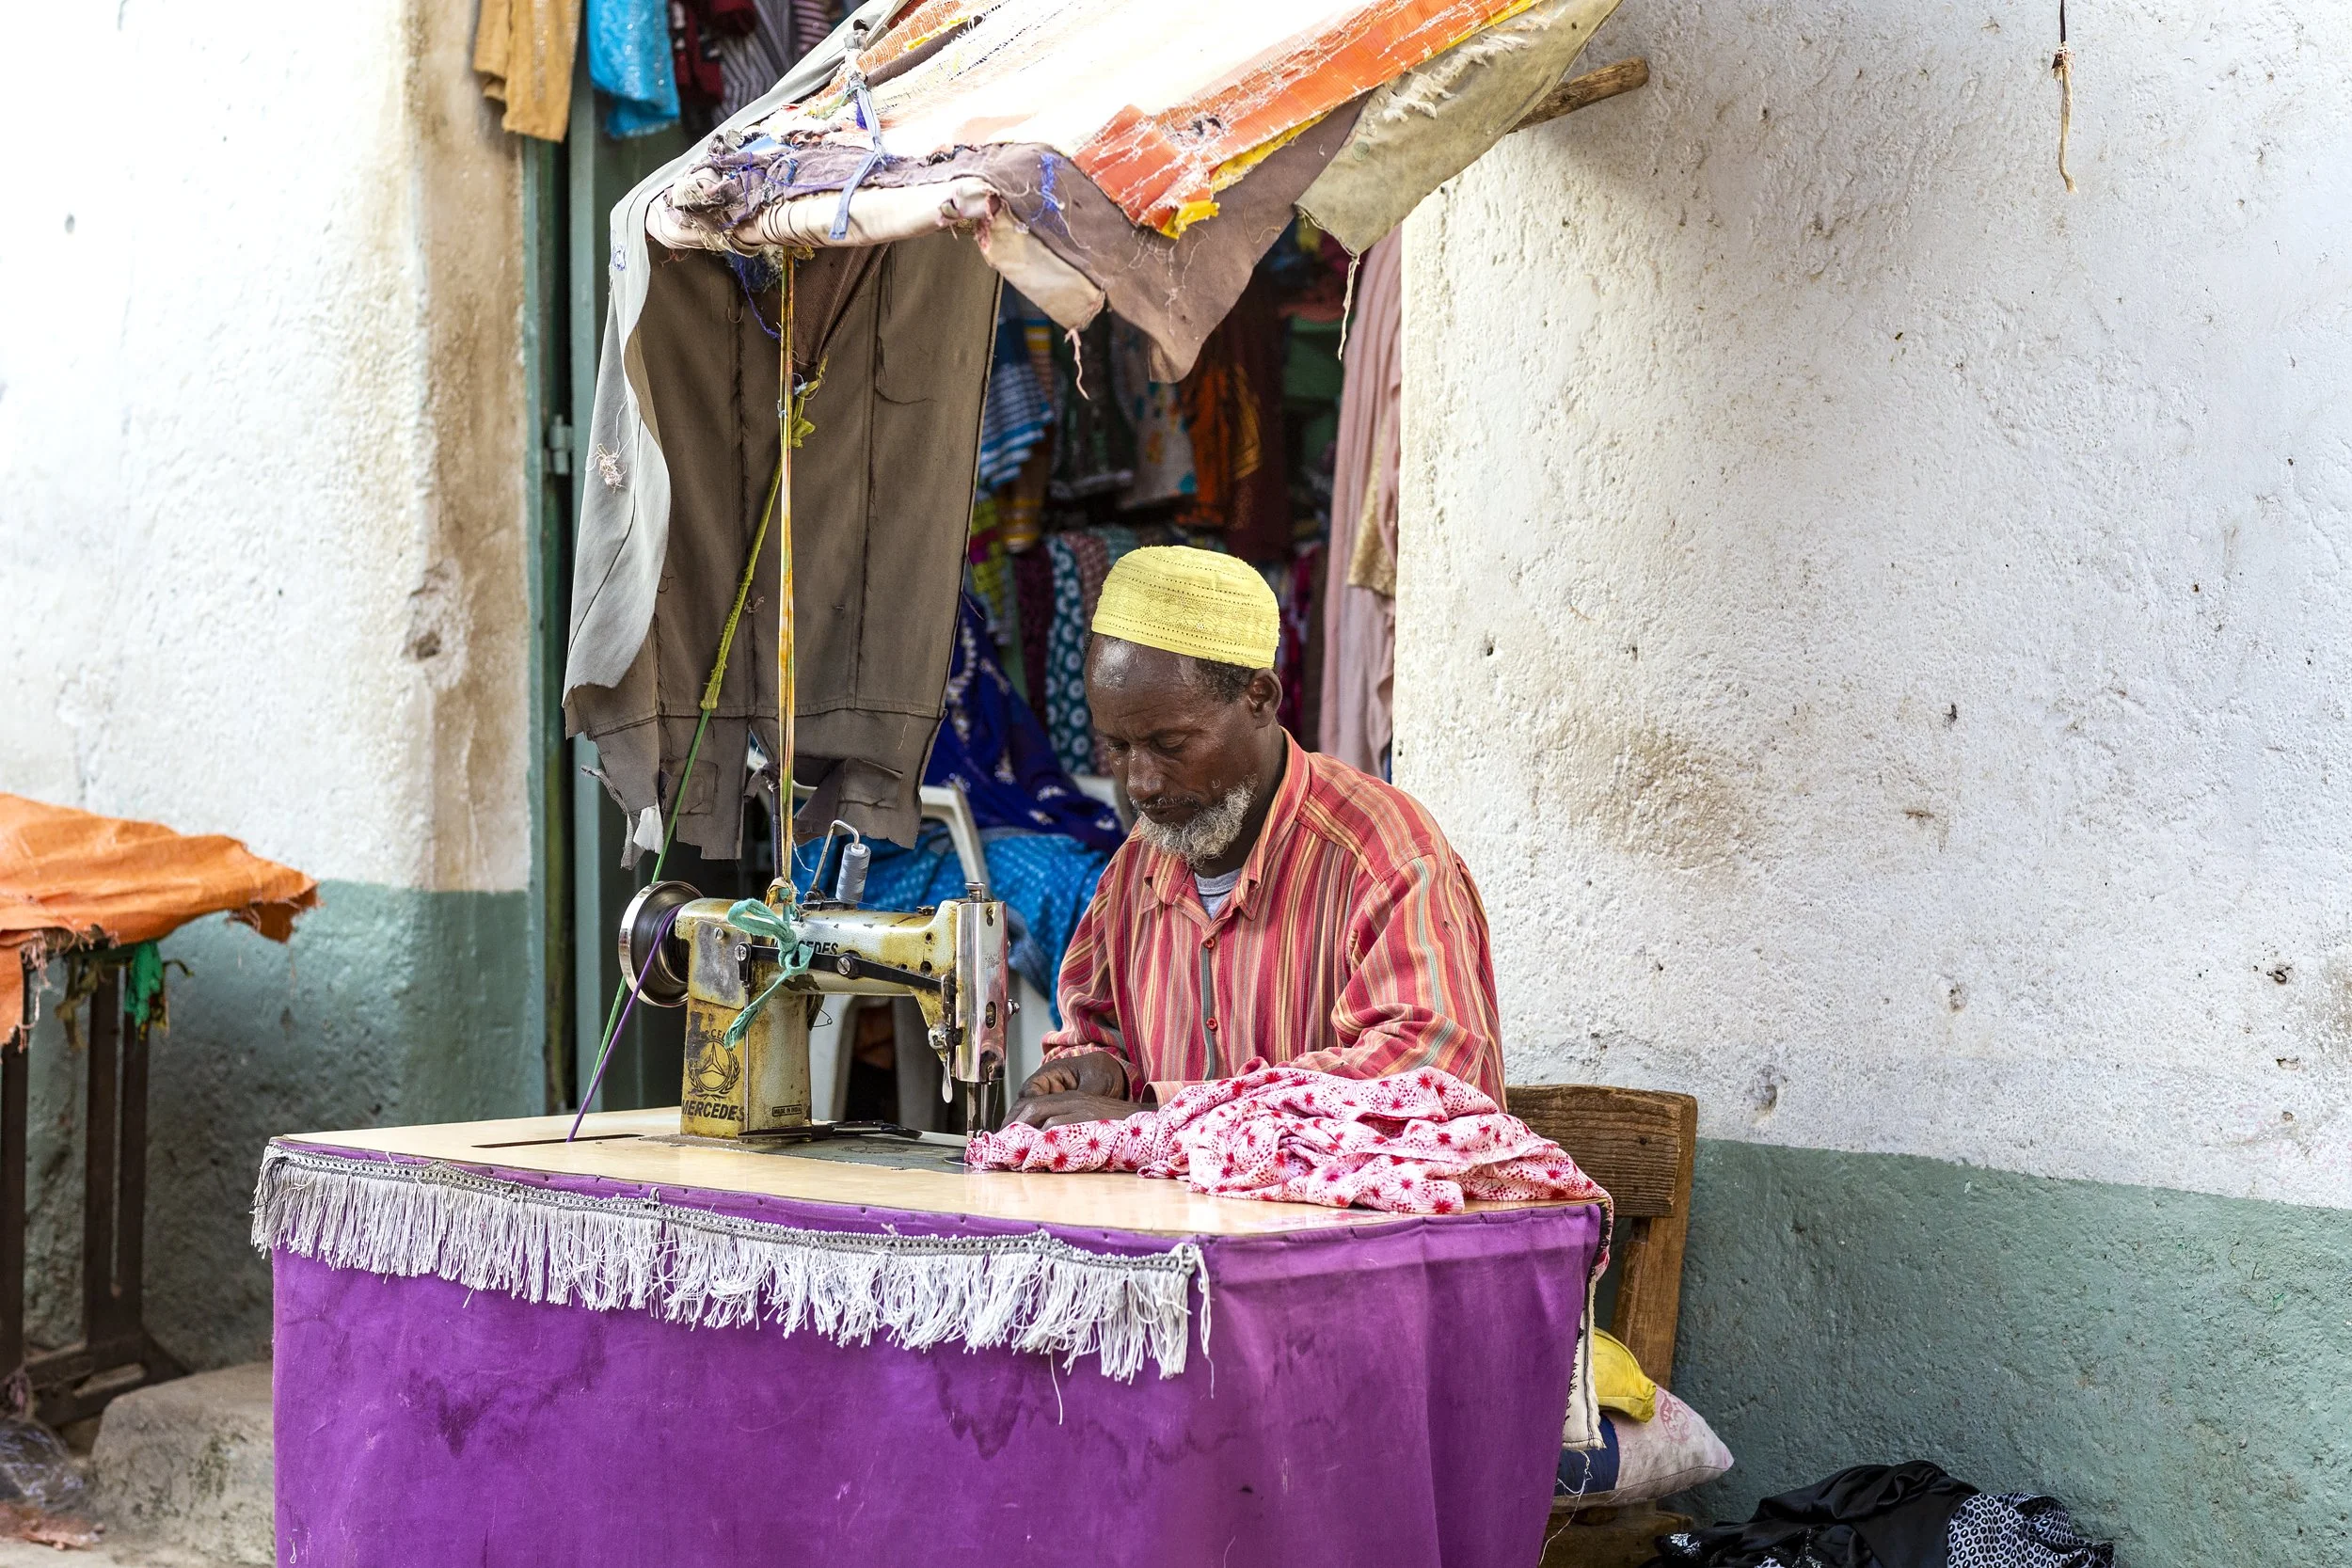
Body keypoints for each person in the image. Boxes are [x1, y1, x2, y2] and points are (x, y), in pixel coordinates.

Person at [1009, 546, 1504, 1129]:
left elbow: (1429, 1078)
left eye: (1170, 745)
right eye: (1118, 748)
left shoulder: (1384, 857)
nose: (1139, 783)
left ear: (1260, 699)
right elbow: (1094, 1029)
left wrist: (1157, 1113)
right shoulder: (1135, 872)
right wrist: (1098, 1069)